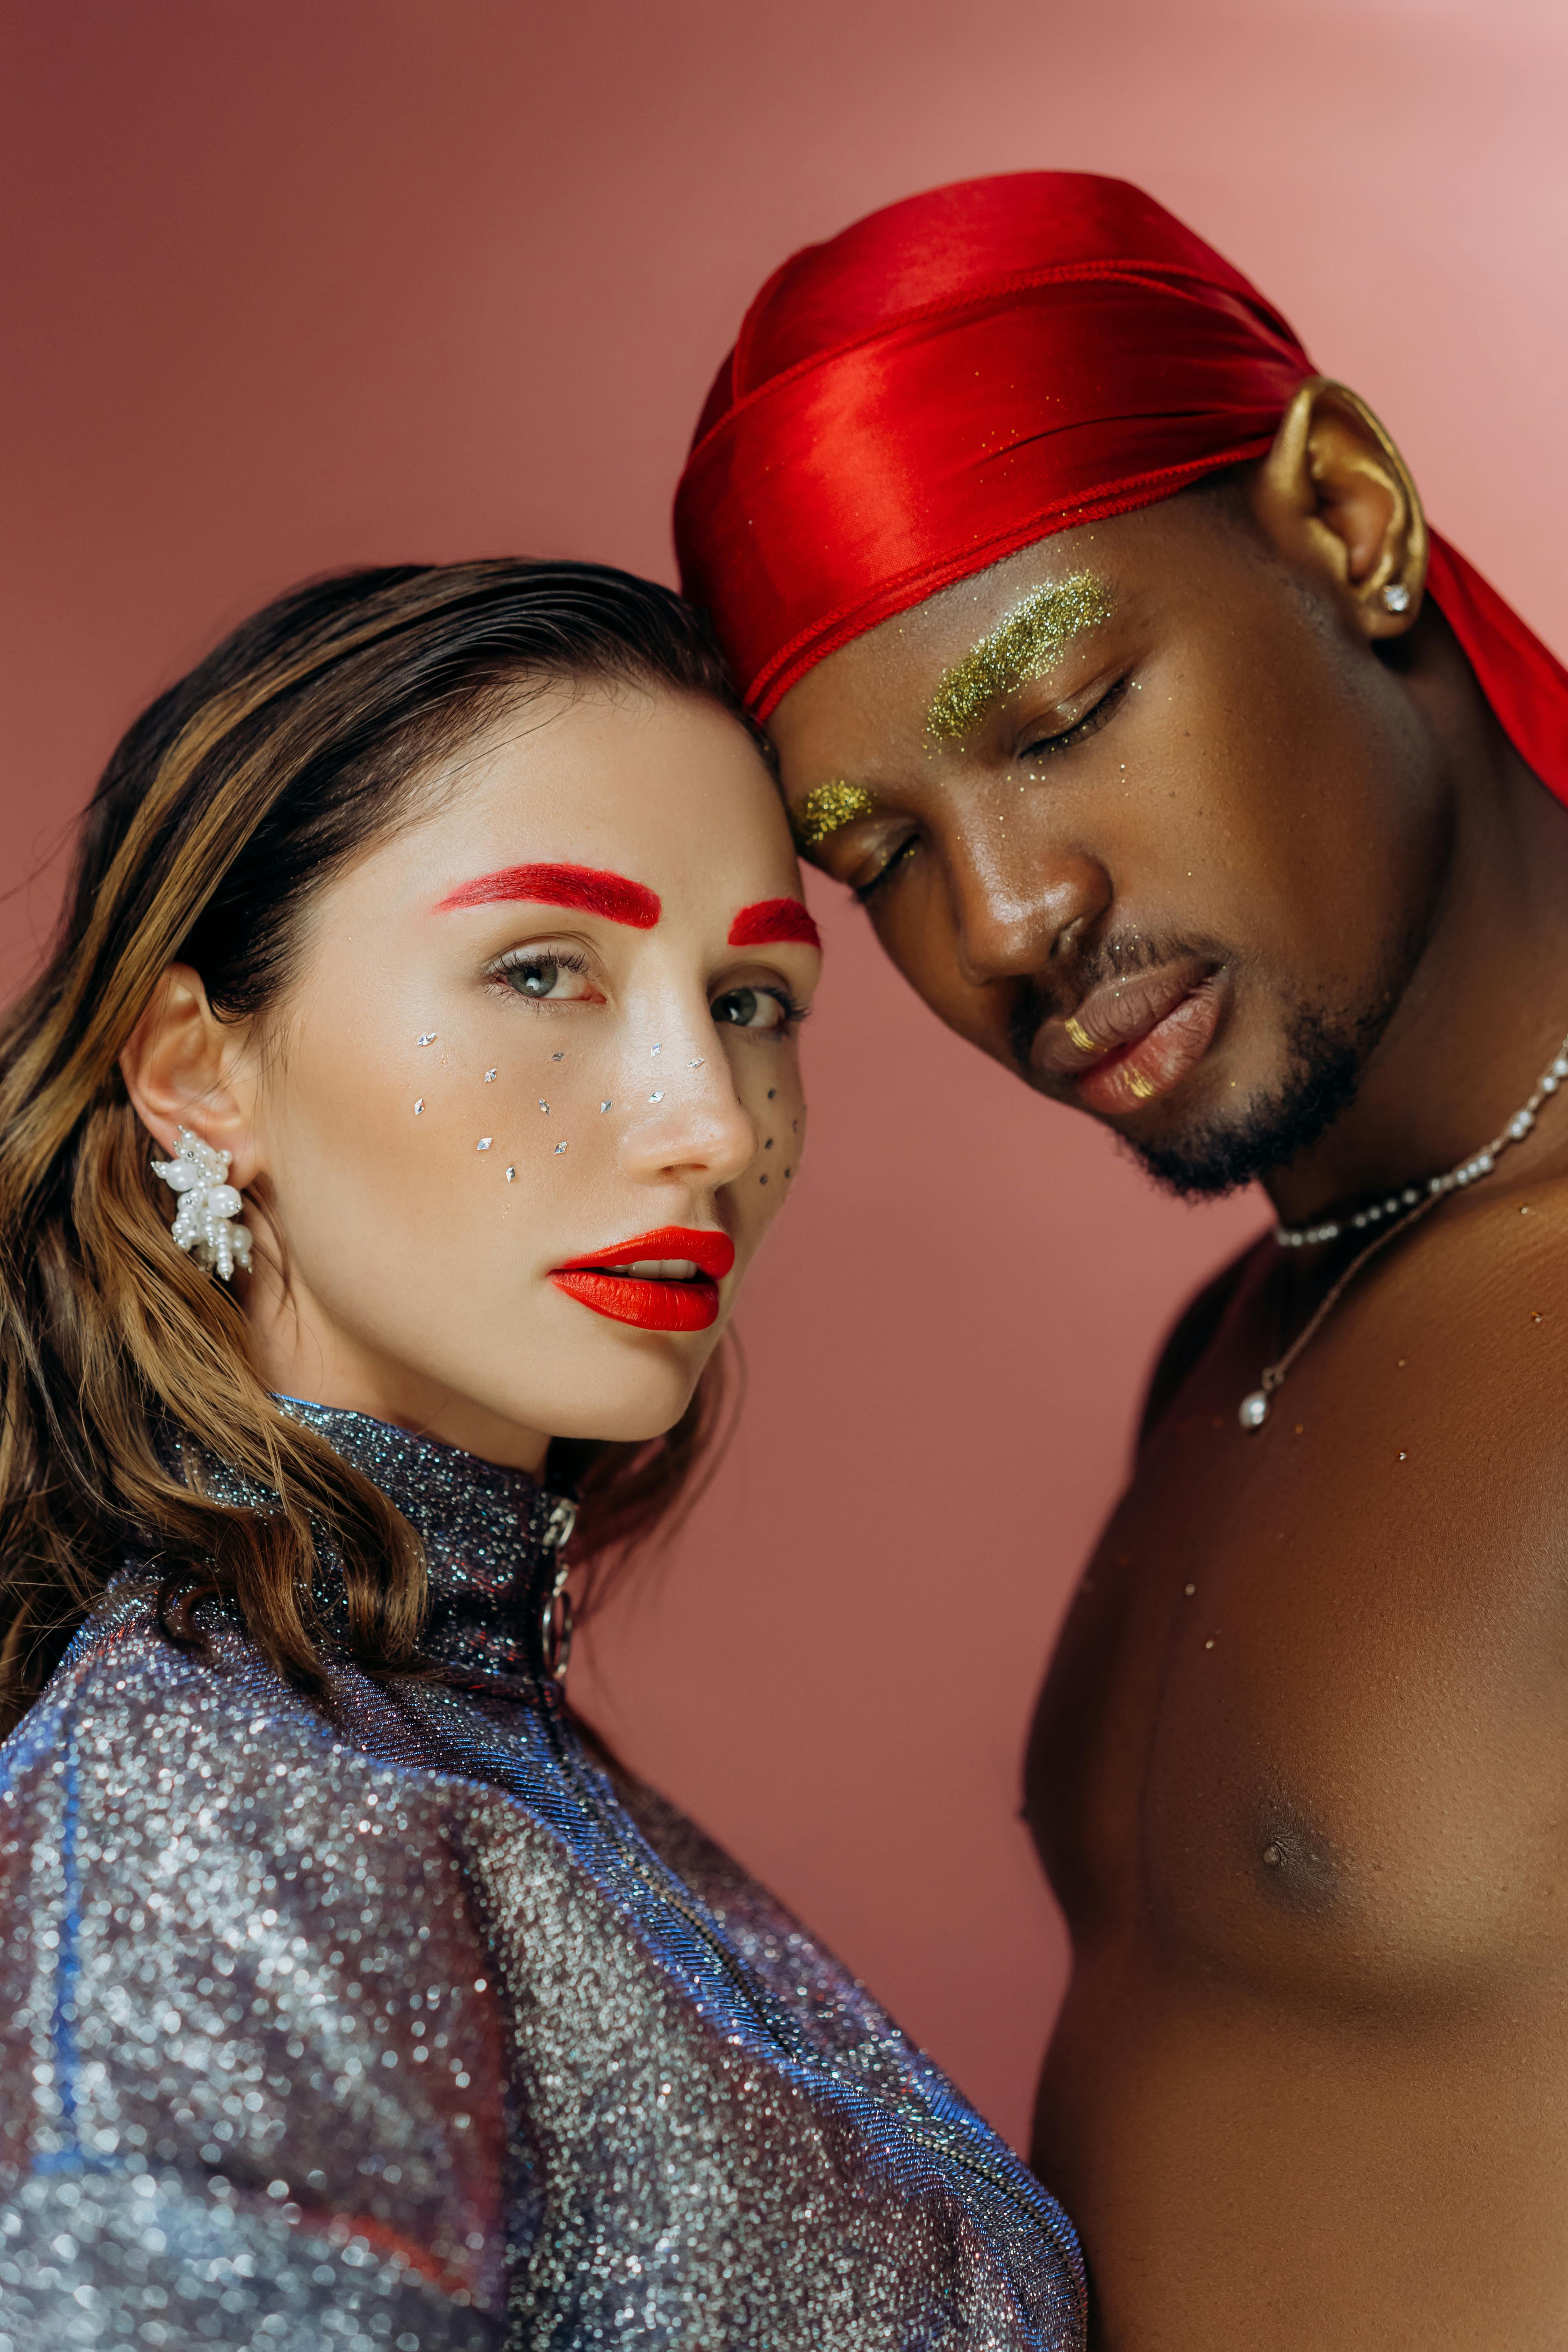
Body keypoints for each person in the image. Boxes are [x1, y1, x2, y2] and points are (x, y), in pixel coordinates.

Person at [675, 173, 1568, 2350]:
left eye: (1058, 711)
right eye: (873, 857)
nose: (999, 921)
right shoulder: (1245, 1333)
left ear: (1346, 516)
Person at [0, 560, 1085, 2349]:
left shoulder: (463, 1745)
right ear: (201, 1068)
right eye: (541, 969)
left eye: (752, 1000)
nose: (708, 1122)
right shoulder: (215, 1795)